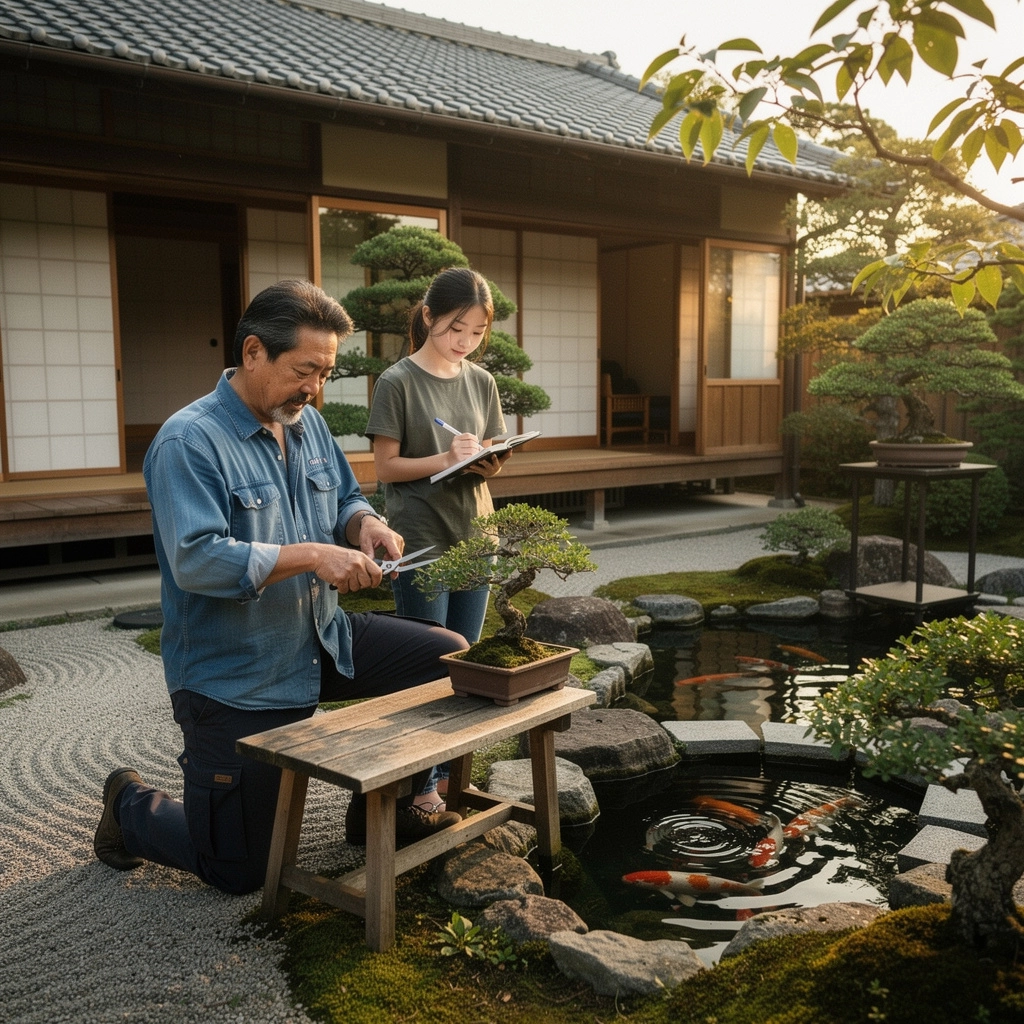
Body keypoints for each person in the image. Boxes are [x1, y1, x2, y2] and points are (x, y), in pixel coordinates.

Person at [93, 280, 464, 895]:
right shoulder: (189, 441)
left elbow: (345, 495)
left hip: (322, 636)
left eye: (326, 373)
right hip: (235, 673)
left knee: (448, 658)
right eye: (305, 370)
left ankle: (381, 810)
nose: (315, 389)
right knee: (240, 872)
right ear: (254, 352)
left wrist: (364, 524)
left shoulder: (307, 424)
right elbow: (197, 561)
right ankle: (129, 807)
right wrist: (316, 555)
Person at [365, 267, 510, 810]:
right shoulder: (397, 381)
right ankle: (419, 785)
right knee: (427, 665)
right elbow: (384, 466)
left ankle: (451, 774)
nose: (465, 343)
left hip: (477, 532)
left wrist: (486, 460)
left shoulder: (482, 381)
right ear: (427, 316)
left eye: (475, 333)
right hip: (420, 536)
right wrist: (446, 458)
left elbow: (490, 459)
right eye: (455, 329)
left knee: (468, 665)